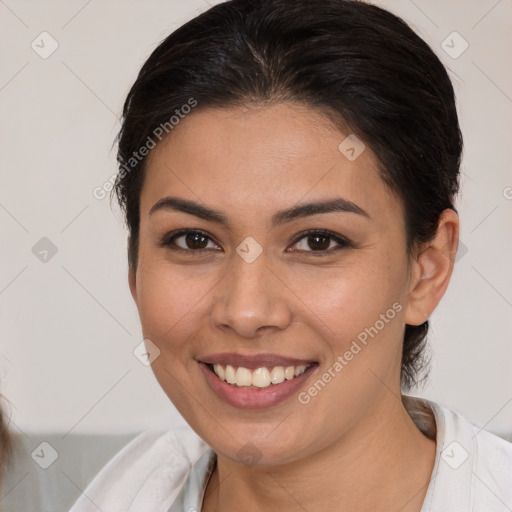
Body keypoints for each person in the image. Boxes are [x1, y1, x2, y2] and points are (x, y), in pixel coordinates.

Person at [69, 0, 512, 510]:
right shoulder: (130, 490)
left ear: (426, 272)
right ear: (135, 266)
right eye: (194, 240)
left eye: (318, 241)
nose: (246, 312)